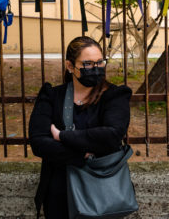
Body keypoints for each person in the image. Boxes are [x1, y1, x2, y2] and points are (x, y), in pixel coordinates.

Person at [28, 36, 132, 219]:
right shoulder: (51, 96)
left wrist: (62, 136)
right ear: (70, 66)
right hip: (59, 194)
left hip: (102, 193)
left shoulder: (115, 96)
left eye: (100, 62)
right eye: (88, 64)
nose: (96, 68)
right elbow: (39, 142)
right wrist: (81, 153)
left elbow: (112, 136)